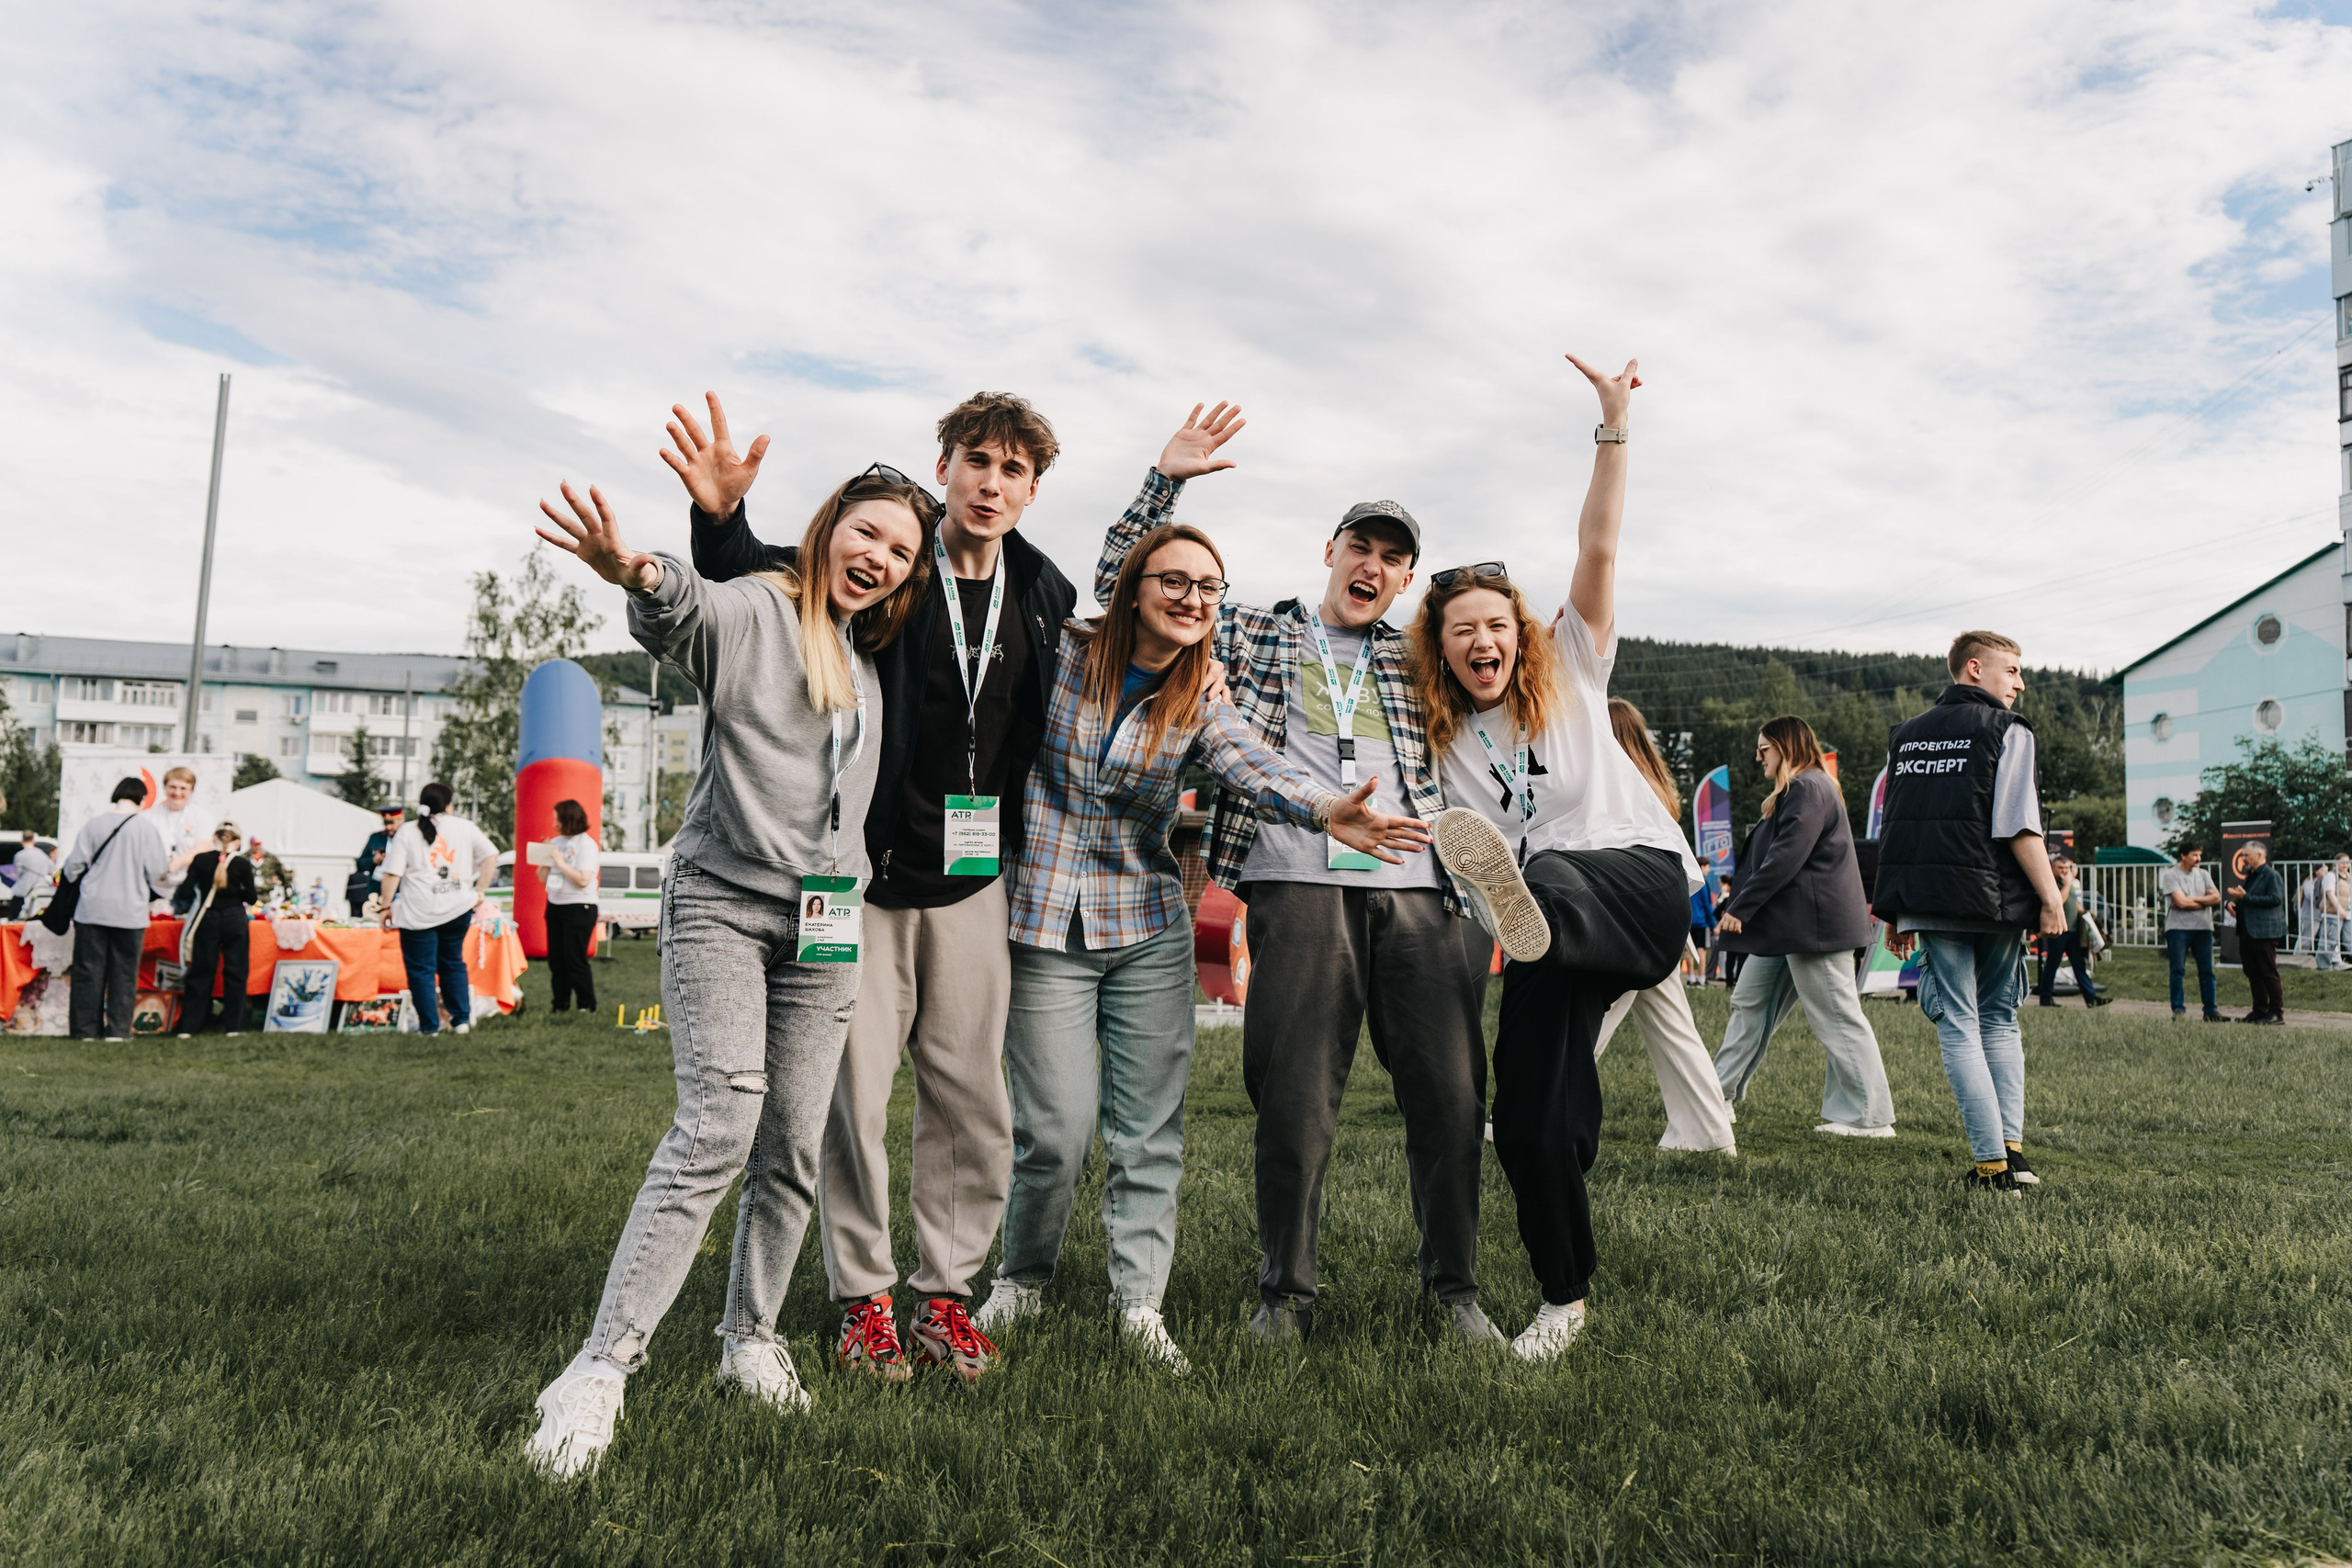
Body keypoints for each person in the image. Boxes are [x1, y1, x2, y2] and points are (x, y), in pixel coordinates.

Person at [523, 459, 931, 1478]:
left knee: (793, 1141)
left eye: (899, 551)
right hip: (724, 903)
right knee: (719, 1124)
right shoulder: (761, 609)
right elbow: (686, 614)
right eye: (867, 533)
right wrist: (640, 572)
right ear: (828, 527)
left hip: (826, 923)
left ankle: (751, 1338)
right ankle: (599, 1368)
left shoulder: (865, 656)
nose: (878, 558)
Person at [682, 389, 1078, 1386]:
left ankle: (945, 1295)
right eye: (976, 460)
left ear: (1032, 490)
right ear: (945, 467)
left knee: (970, 1097)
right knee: (849, 1100)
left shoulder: (1041, 587)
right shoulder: (892, 566)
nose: (991, 483)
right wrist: (719, 519)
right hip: (857, 880)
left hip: (973, 880)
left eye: (1013, 470)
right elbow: (758, 574)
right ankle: (865, 1300)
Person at [980, 509, 1428, 1376]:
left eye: (1208, 588)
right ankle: (1022, 1277)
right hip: (1044, 923)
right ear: (1134, 589)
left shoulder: (1202, 697)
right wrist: (1167, 478)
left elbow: (1253, 764)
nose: (1191, 598)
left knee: (1149, 1131)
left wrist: (1326, 809)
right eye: (1174, 581)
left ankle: (1139, 1304)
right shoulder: (1064, 654)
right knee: (1057, 1130)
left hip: (1147, 928)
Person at [1085, 413, 1496, 1349]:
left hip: (1418, 888)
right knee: (1296, 1099)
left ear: (1404, 579)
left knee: (1450, 1094)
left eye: (1393, 558)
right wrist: (1163, 483)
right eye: (1361, 547)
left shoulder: (1416, 655)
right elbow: (1123, 588)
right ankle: (1285, 1296)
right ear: (1331, 551)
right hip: (1296, 880)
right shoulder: (1253, 632)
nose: (1373, 566)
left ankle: (1456, 1293)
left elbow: (1502, 667)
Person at [1418, 352, 1701, 1362]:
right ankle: (1563, 1299)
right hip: (1540, 933)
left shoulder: (1575, 662)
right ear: (1442, 650)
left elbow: (1599, 545)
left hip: (1633, 884)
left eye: (1496, 625)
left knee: (1547, 877)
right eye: (1462, 631)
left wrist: (1612, 424)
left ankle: (1526, 903)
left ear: (1522, 634)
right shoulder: (1441, 742)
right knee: (1532, 1120)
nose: (1481, 640)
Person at [1875, 631, 2066, 1196]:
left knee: (1958, 1024)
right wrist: (2051, 897)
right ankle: (2010, 1158)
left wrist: (1895, 910)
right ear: (1976, 669)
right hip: (1992, 899)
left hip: (1931, 901)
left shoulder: (1907, 736)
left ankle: (1992, 1167)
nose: (2020, 684)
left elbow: (1898, 828)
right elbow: (2019, 825)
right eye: (2013, 670)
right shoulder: (2007, 730)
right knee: (1999, 1020)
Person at [1711, 716, 1894, 1139]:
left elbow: (1786, 856)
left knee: (1838, 1017)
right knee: (1748, 1004)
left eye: (1764, 749)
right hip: (1790, 928)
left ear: (1786, 747)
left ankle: (1870, 1118)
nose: (1758, 757)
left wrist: (1742, 906)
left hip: (1815, 930)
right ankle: (1716, 1096)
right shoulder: (1804, 788)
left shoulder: (1808, 788)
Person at [1589, 700, 1736, 1155]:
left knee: (1583, 1025)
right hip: (1659, 925)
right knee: (1675, 1030)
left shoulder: (1614, 786)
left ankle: (1530, 1113)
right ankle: (1708, 1134)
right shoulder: (1653, 788)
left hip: (1625, 926)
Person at [378, 781, 500, 1037]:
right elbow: (491, 855)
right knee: (452, 963)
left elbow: (392, 874)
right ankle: (461, 1020)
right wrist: (480, 890)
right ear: (448, 805)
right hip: (457, 908)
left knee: (421, 970)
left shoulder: (407, 831)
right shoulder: (465, 827)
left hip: (418, 913)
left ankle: (429, 1026)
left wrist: (385, 906)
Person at [61, 776, 172, 1041]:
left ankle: (85, 1031)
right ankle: (118, 1030)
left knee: (88, 972)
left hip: (92, 909)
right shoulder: (145, 828)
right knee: (124, 973)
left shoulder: (93, 825)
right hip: (130, 911)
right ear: (142, 799)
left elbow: (72, 867)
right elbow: (158, 872)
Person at [177, 823, 257, 1035]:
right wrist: (235, 893)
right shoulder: (242, 864)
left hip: (208, 917)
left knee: (201, 971)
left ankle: (189, 1026)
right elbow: (252, 897)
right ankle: (235, 1026)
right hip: (235, 918)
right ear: (237, 842)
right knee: (236, 971)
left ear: (214, 838)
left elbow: (185, 891)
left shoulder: (200, 860)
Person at [541, 797, 602, 1015]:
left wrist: (560, 863)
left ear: (569, 820)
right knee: (556, 959)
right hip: (555, 904)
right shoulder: (556, 843)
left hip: (580, 906)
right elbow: (542, 878)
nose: (554, 824)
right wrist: (545, 856)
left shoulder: (586, 845)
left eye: (557, 819)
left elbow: (583, 880)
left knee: (575, 958)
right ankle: (560, 1004)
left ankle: (586, 1005)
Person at [2031, 854, 2109, 1009]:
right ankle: (2046, 997)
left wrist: (2085, 914)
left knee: (2079, 965)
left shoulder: (2071, 884)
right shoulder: (2052, 883)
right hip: (2058, 930)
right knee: (2053, 964)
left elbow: (2074, 902)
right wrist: (2067, 884)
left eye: (2067, 868)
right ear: (2053, 868)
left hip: (2073, 930)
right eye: (2061, 868)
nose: (2065, 871)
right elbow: (2058, 901)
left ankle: (2091, 998)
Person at [2159, 845, 2222, 1021]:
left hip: (2203, 928)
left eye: (2199, 855)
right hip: (2178, 928)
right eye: (2194, 855)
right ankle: (2178, 1009)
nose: (2198, 859)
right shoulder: (2171, 875)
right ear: (2183, 856)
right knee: (2178, 969)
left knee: (2207, 970)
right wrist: (2204, 901)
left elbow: (2216, 898)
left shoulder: (2204, 874)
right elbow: (2181, 902)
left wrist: (2191, 898)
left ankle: (2210, 1010)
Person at [2227, 841, 2284, 1024]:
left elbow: (2275, 899)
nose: (2243, 859)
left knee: (2268, 972)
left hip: (2264, 932)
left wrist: (2245, 897)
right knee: (2252, 972)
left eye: (2246, 855)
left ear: (2259, 855)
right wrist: (2234, 904)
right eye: (2242, 855)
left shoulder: (2271, 875)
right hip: (2248, 930)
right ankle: (2259, 1010)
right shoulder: (2251, 876)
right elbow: (2250, 900)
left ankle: (2276, 1012)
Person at [146, 765, 213, 900]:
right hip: (154, 886)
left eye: (183, 788)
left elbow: (202, 848)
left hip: (189, 887)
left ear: (191, 790)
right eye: (173, 787)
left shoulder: (203, 816)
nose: (177, 792)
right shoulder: (148, 816)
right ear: (165, 788)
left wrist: (179, 862)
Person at [352, 805, 403, 917]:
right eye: (386, 823)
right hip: (376, 889)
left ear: (401, 820)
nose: (388, 827)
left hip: (400, 888)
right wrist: (374, 860)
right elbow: (360, 863)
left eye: (392, 823)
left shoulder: (407, 838)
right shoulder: (375, 838)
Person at [13, 830, 56, 921]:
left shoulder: (19, 855)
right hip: (40, 894)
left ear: (22, 841)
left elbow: (16, 874)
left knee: (17, 922)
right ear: (34, 841)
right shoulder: (42, 855)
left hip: (23, 894)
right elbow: (53, 870)